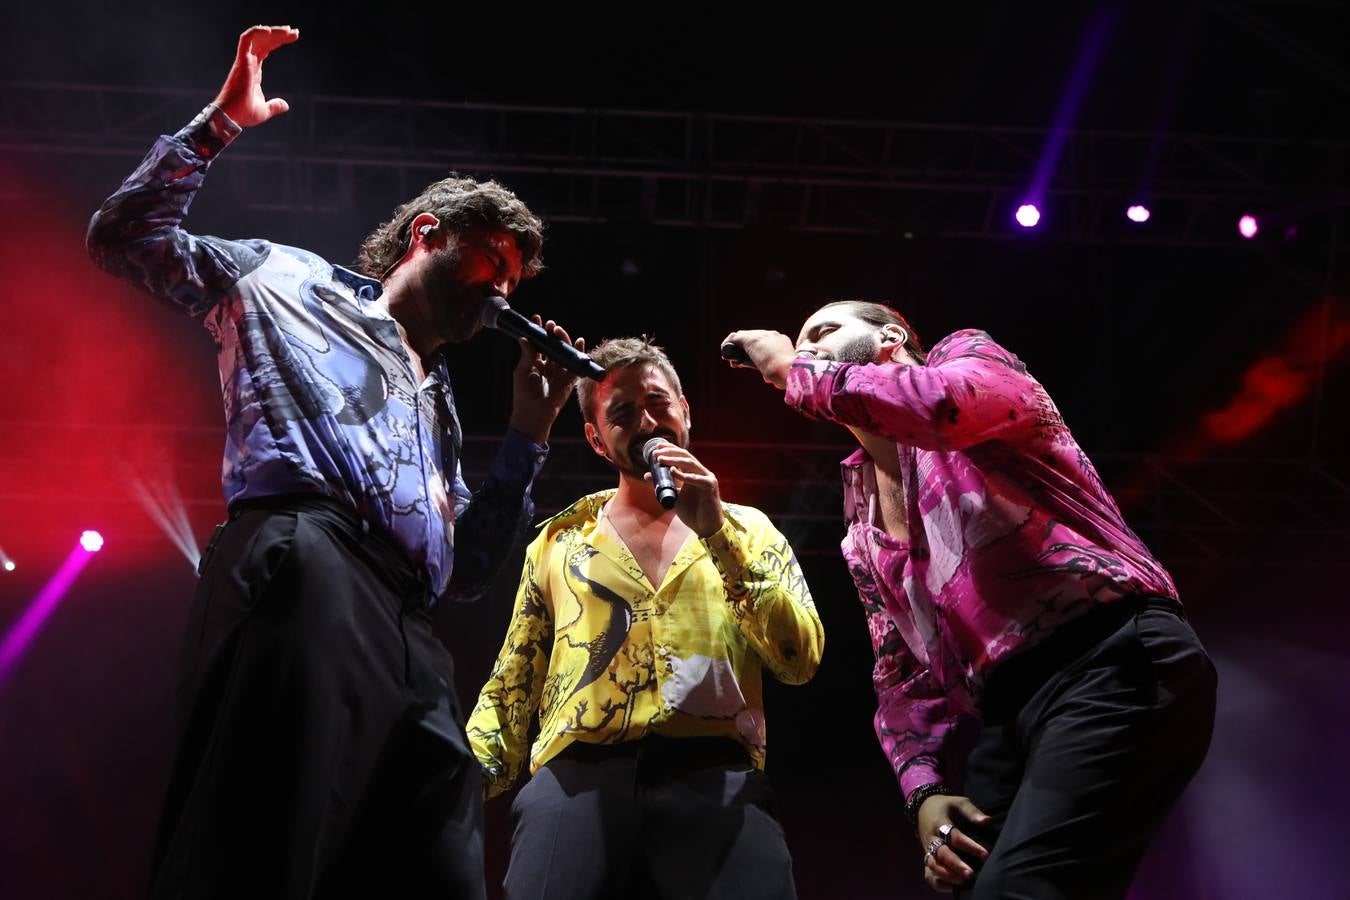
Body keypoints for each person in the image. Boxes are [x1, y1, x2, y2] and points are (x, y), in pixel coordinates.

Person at [86, 26, 582, 899]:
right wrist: (217, 128)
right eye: (492, 265)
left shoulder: (441, 402)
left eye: (515, 284)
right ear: (428, 233)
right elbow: (121, 237)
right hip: (306, 566)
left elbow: (465, 571)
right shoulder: (285, 279)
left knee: (434, 865)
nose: (503, 294)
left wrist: (529, 437)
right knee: (265, 837)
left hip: (408, 633)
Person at [723, 302, 1216, 899]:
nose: (808, 349)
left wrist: (788, 365)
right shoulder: (862, 518)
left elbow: (935, 404)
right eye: (801, 342)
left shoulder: (969, 359)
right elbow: (900, 668)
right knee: (974, 885)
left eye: (824, 331)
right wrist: (924, 790)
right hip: (1012, 707)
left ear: (891, 336)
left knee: (1023, 888)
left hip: (1112, 655)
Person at [466, 337, 823, 899]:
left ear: (686, 412)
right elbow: (515, 676)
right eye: (623, 413)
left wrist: (718, 536)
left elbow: (799, 660)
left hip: (719, 780)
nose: (647, 420)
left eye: (658, 402)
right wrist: (458, 777)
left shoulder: (751, 530)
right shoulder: (559, 542)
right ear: (596, 439)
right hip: (575, 781)